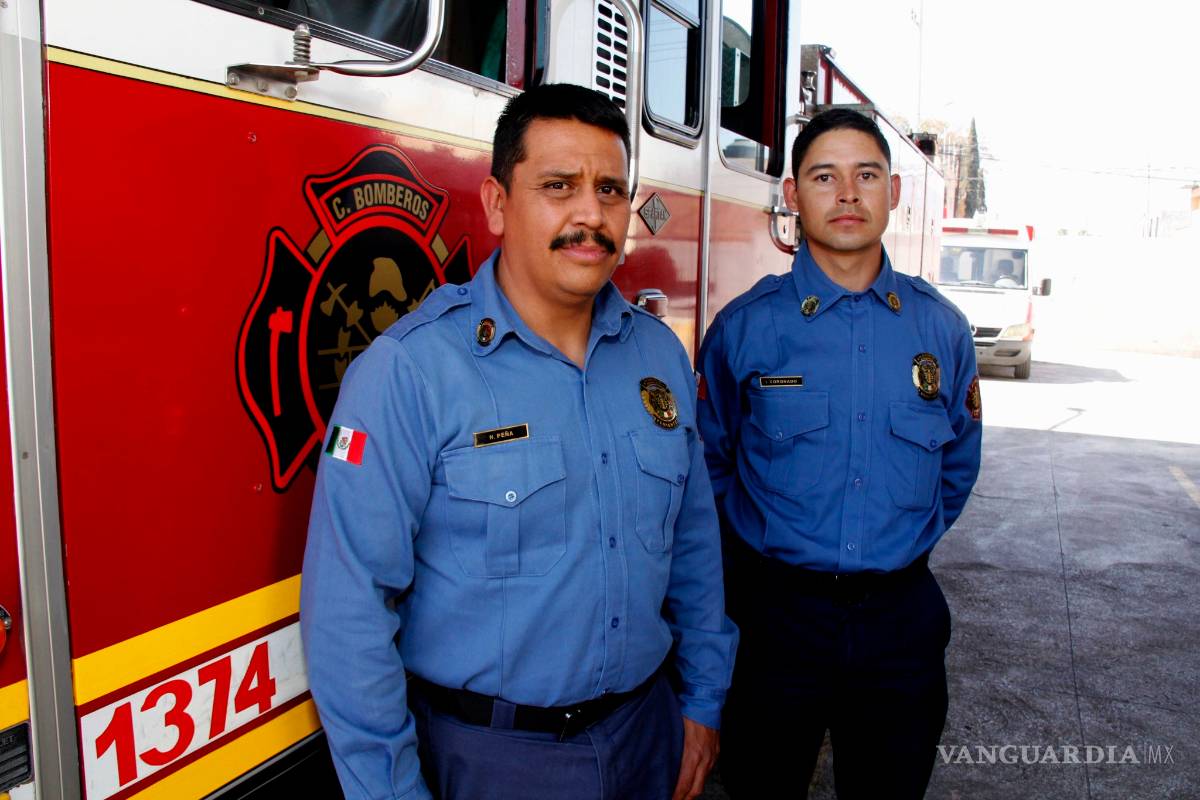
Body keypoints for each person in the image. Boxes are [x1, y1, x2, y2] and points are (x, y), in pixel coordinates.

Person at [301, 83, 737, 800]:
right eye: (558, 187)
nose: (590, 215)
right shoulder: (411, 372)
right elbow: (349, 610)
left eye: (609, 190)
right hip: (492, 762)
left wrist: (701, 704)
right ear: (498, 204)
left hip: (646, 739)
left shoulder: (658, 355)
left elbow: (693, 547)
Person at [696, 108, 982, 799]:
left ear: (894, 192)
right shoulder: (745, 329)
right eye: (825, 177)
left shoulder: (940, 329)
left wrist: (892, 545)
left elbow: (957, 467)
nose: (847, 194)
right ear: (793, 195)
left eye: (867, 176)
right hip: (775, 626)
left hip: (900, 624)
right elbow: (710, 467)